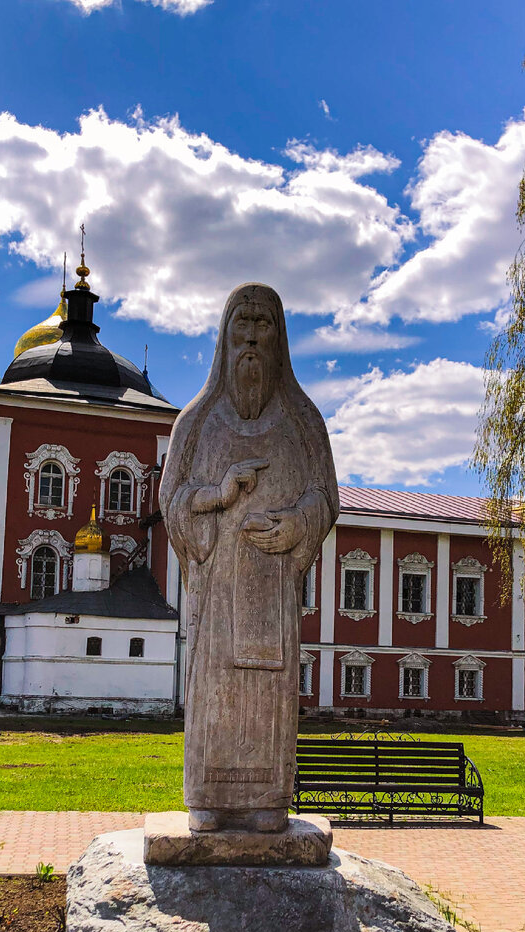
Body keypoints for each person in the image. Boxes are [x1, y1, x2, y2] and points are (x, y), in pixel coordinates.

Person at [160, 283, 338, 832]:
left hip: (272, 587)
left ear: (279, 338)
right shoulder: (196, 421)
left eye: (265, 326)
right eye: (245, 324)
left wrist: (299, 522)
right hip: (218, 594)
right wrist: (217, 495)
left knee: (267, 697)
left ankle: (267, 799)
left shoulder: (303, 421)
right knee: (215, 691)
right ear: (226, 336)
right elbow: (171, 498)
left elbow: (327, 495)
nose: (254, 339)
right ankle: (207, 797)